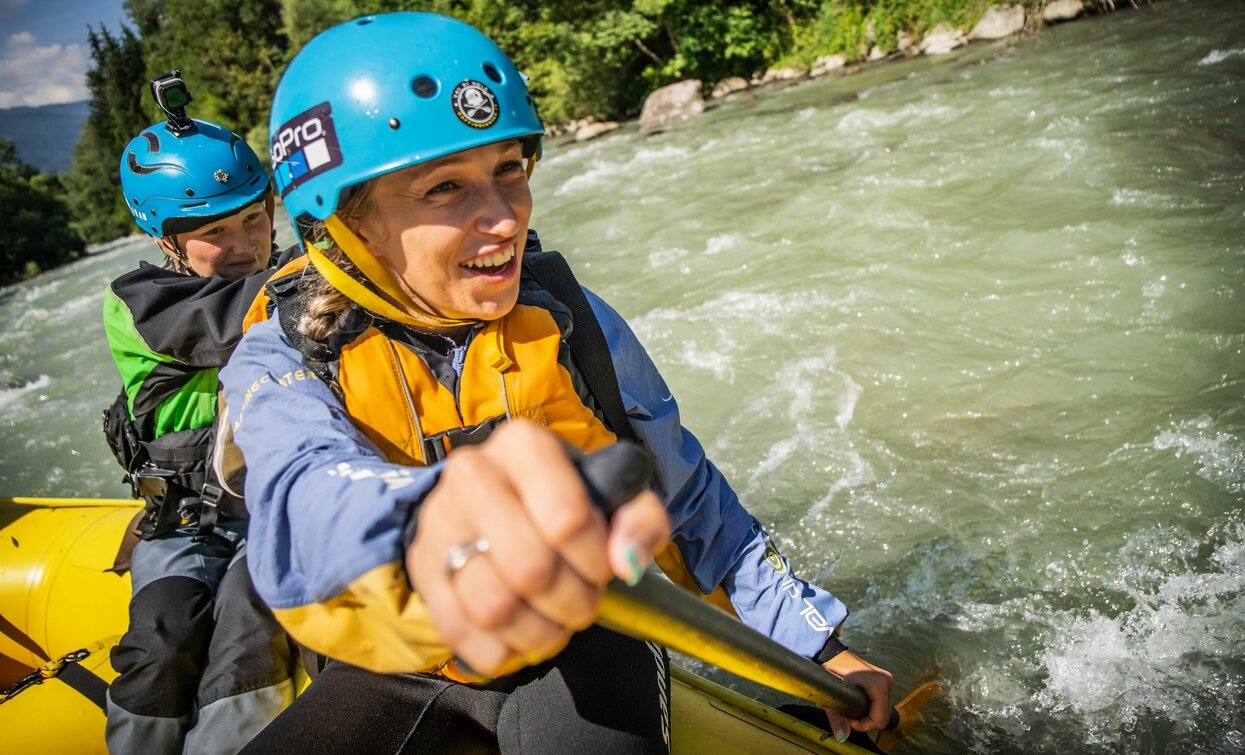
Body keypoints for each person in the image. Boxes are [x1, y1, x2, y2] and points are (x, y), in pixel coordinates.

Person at [220, 12, 892, 753]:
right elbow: (299, 498)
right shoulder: (281, 356)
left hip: (588, 628)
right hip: (406, 657)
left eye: (509, 169)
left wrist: (819, 647)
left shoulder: (572, 321)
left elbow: (691, 505)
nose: (505, 218)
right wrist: (427, 521)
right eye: (445, 187)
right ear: (342, 224)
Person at [101, 71, 295, 753]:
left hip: (273, 516)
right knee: (160, 645)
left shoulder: (297, 273)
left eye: (254, 216)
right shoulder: (139, 304)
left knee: (249, 630)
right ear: (168, 242)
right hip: (183, 523)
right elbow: (234, 318)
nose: (246, 242)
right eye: (217, 231)